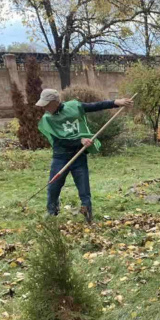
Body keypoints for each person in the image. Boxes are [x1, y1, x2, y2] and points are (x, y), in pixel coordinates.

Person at [36, 89, 134, 223]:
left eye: (47, 104)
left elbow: (95, 106)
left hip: (79, 155)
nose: (44, 107)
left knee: (84, 188)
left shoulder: (74, 107)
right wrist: (79, 140)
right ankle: (52, 211)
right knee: (54, 186)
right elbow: (59, 141)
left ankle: (88, 214)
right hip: (60, 156)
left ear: (55, 101)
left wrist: (116, 102)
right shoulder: (47, 119)